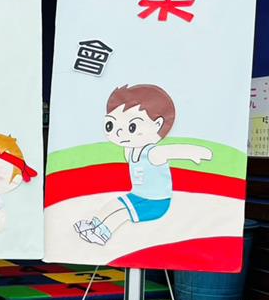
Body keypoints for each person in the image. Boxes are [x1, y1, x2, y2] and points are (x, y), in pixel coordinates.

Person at [75, 84, 212, 245]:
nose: (119, 133)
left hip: (156, 202)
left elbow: (174, 150)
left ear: (157, 124)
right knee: (114, 204)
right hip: (138, 196)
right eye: (111, 125)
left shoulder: (152, 153)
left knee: (123, 213)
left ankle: (102, 235)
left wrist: (199, 153)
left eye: (132, 127)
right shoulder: (130, 151)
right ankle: (92, 224)